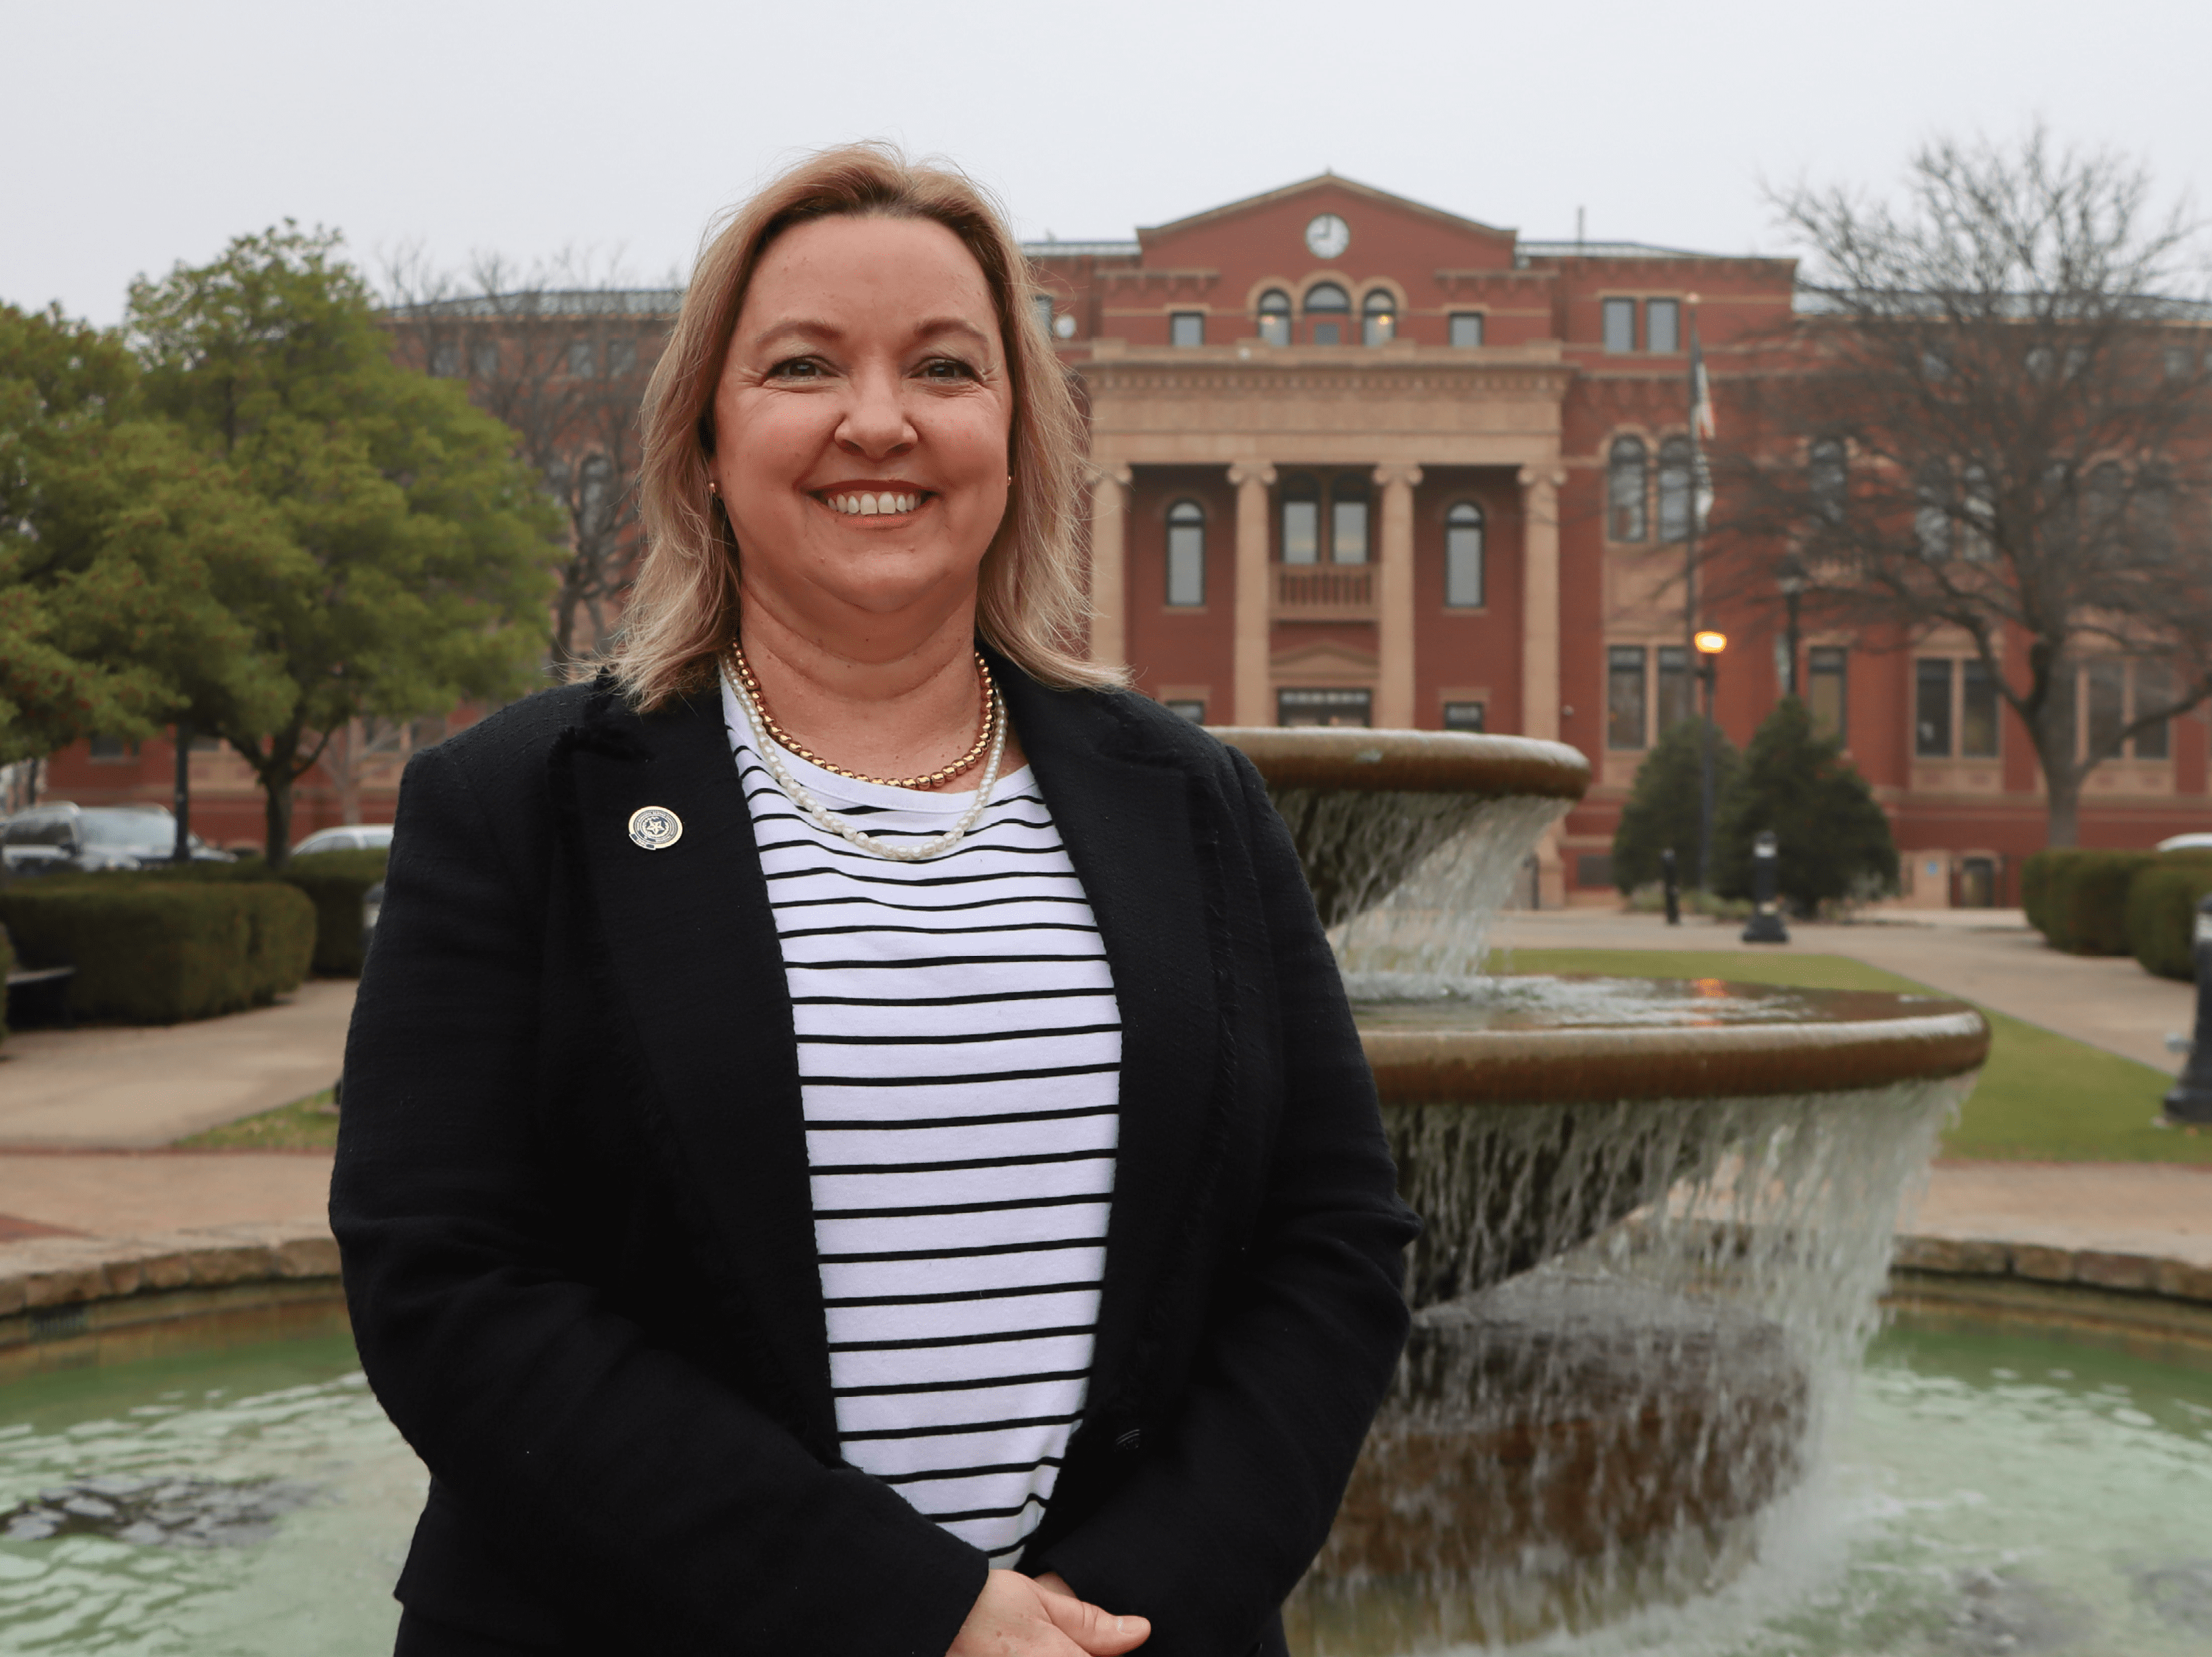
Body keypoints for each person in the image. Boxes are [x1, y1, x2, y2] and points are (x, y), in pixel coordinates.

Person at [330, 143, 1418, 1657]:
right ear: (705, 437)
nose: (878, 420)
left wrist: (1102, 1618)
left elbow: (1331, 1242)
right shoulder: (517, 808)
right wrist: (919, 1617)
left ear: (1019, 437)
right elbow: (445, 1286)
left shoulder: (1192, 804)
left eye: (945, 368)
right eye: (801, 366)